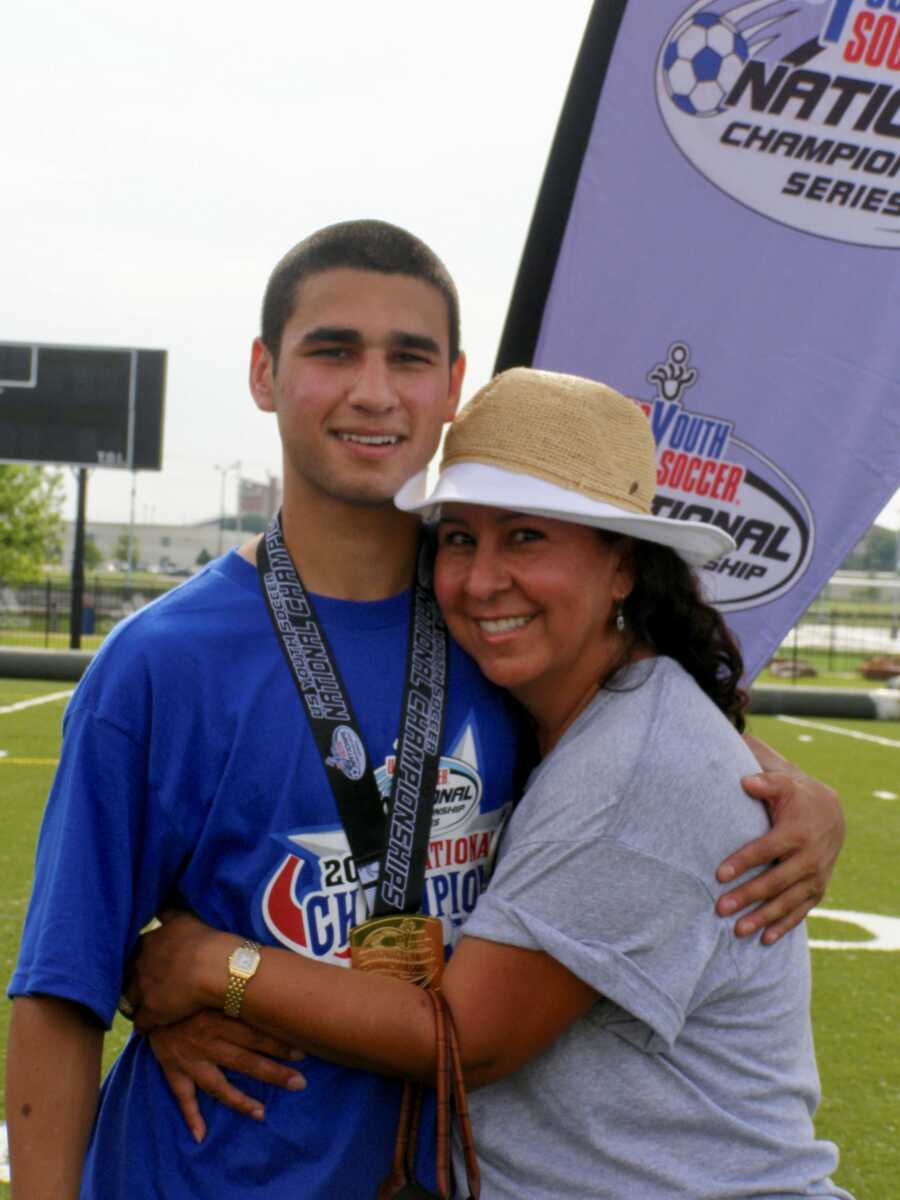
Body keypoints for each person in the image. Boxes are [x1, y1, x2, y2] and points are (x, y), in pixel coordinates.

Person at [6, 222, 842, 1200]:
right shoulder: (158, 664)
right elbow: (62, 991)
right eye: (332, 350)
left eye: (407, 357)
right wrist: (161, 991)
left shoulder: (495, 641)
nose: (372, 389)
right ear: (264, 372)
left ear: (452, 385)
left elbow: (654, 756)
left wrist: (797, 795)